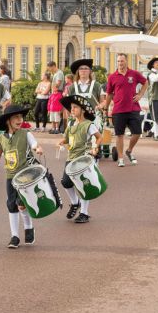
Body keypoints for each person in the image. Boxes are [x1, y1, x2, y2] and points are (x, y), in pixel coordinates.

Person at [0, 104, 43, 249]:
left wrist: (37, 148)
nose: (20, 120)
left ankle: (28, 226)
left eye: (21, 117)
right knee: (11, 204)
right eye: (16, 117)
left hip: (25, 175)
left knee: (22, 203)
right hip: (10, 176)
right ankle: (14, 236)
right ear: (8, 120)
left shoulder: (26, 133)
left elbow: (34, 144)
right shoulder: (1, 137)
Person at [57, 95, 101, 224]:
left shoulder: (88, 125)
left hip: (83, 158)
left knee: (83, 185)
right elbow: (66, 139)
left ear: (83, 110)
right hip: (71, 158)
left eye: (75, 107)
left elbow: (99, 137)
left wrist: (95, 148)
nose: (72, 110)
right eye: (71, 108)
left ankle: (84, 213)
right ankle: (75, 202)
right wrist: (61, 142)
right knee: (65, 182)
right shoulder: (70, 124)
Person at [102, 53, 148, 167]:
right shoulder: (112, 77)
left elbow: (145, 82)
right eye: (118, 61)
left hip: (133, 108)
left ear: (126, 62)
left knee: (137, 133)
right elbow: (109, 94)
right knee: (119, 135)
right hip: (118, 110)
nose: (120, 63)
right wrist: (105, 108)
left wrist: (140, 95)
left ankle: (129, 150)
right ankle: (121, 158)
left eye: (122, 61)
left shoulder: (134, 74)